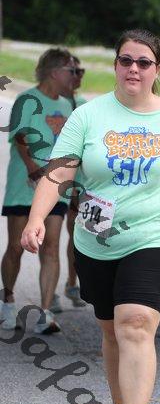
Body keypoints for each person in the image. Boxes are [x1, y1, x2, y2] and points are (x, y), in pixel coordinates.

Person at [20, 29, 160, 404]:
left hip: (158, 237)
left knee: (136, 322)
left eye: (144, 62)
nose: (133, 69)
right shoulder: (88, 116)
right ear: (115, 65)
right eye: (126, 60)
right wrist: (36, 219)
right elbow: (59, 172)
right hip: (98, 241)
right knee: (111, 329)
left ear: (157, 70)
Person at [0, 48, 74, 334]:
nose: (74, 75)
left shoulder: (67, 105)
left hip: (55, 187)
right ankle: (8, 302)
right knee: (17, 246)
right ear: (54, 72)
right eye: (70, 70)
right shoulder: (27, 99)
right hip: (25, 186)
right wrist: (32, 167)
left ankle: (45, 313)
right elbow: (19, 136)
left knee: (51, 246)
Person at [50, 55, 87, 313]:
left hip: (79, 182)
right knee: (50, 239)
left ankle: (72, 284)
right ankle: (50, 292)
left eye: (80, 71)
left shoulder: (84, 105)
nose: (77, 76)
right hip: (53, 178)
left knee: (77, 235)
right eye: (72, 71)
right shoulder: (50, 103)